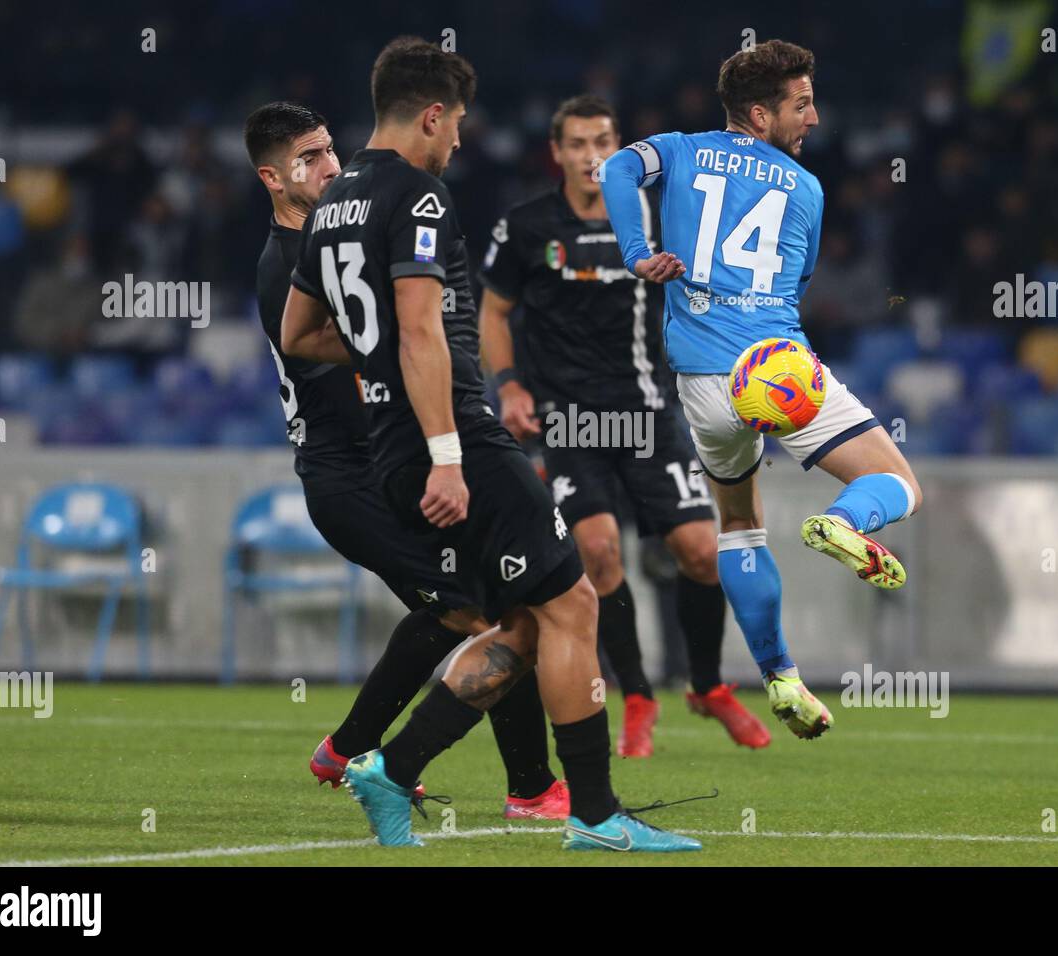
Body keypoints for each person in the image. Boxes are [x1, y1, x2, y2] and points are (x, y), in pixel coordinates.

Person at [280, 38, 699, 852]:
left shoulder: (331, 205)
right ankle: (595, 816)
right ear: (432, 114)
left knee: (527, 620)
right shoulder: (420, 196)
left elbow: (298, 333)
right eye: (458, 123)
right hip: (456, 441)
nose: (460, 140)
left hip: (387, 447)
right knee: (575, 600)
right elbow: (419, 331)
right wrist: (446, 450)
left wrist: (385, 379)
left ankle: (392, 770)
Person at [244, 100, 566, 820]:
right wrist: (423, 372)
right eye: (310, 158)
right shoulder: (284, 266)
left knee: (488, 606)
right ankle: (517, 786)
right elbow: (347, 369)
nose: (331, 165)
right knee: (480, 613)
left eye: (330, 149)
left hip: (381, 463)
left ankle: (362, 753)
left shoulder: (332, 236)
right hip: (347, 476)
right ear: (272, 177)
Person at [600, 39, 923, 739]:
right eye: (800, 104)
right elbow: (796, 286)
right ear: (758, 111)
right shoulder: (806, 188)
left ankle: (781, 676)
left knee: (740, 524)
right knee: (899, 483)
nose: (812, 118)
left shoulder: (678, 151)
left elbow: (617, 168)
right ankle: (845, 521)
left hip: (704, 386)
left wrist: (635, 252)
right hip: (777, 368)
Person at [479, 94, 770, 754]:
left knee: (702, 552)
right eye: (577, 144)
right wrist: (510, 386)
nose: (591, 156)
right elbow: (493, 314)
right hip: (571, 422)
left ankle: (706, 685)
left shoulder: (658, 221)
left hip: (646, 414)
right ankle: (637, 694)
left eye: (603, 141)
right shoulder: (525, 228)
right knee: (600, 553)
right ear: (556, 152)